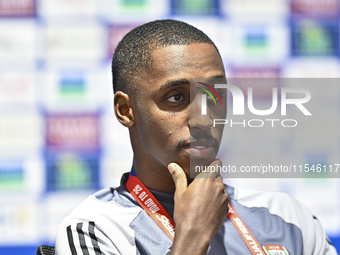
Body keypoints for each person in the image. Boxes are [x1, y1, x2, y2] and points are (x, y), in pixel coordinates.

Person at [55, 19, 338, 255]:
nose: (204, 119)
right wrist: (191, 236)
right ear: (126, 110)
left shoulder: (289, 217)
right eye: (176, 97)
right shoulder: (95, 229)